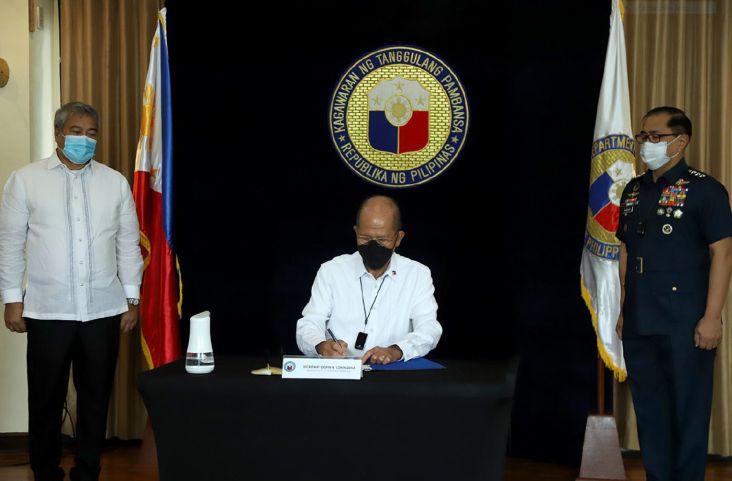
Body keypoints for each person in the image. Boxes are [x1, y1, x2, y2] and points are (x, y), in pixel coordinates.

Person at [0, 102, 143, 481]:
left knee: (96, 398)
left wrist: (132, 299)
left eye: (92, 133)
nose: (85, 139)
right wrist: (12, 299)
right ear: (58, 134)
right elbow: (10, 244)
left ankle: (88, 470)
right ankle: (45, 472)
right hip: (48, 310)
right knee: (45, 399)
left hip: (103, 309)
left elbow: (128, 245)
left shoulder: (115, 183)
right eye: (77, 131)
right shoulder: (25, 180)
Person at [616, 106, 732, 481]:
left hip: (685, 320)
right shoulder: (633, 189)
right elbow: (625, 250)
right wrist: (623, 307)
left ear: (680, 141)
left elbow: (723, 253)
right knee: (651, 413)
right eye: (642, 137)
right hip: (640, 316)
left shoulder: (706, 189)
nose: (646, 144)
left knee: (688, 413)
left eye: (655, 137)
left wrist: (712, 317)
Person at [296, 195, 442, 364]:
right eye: (365, 238)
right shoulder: (331, 271)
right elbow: (309, 323)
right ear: (356, 232)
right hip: (339, 377)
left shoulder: (417, 274)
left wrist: (396, 350)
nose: (373, 246)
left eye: (382, 239)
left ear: (398, 238)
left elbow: (429, 329)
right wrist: (321, 345)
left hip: (393, 377)